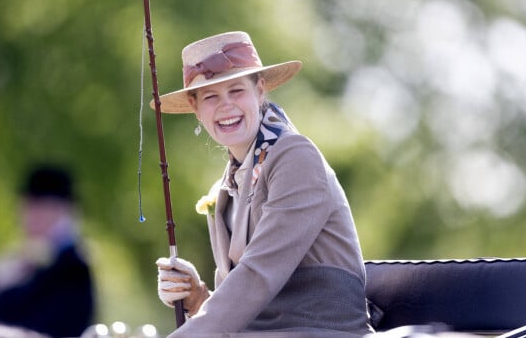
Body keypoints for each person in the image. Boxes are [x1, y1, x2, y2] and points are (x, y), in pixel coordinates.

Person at [154, 31, 373, 337]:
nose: (225, 106)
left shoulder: (296, 156)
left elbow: (260, 274)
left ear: (259, 91)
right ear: (196, 108)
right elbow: (248, 308)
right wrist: (196, 297)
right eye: (210, 96)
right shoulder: (228, 185)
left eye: (236, 90)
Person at [0, 164, 94, 338]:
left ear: (56, 209)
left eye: (33, 206)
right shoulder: (24, 261)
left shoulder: (72, 267)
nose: (26, 215)